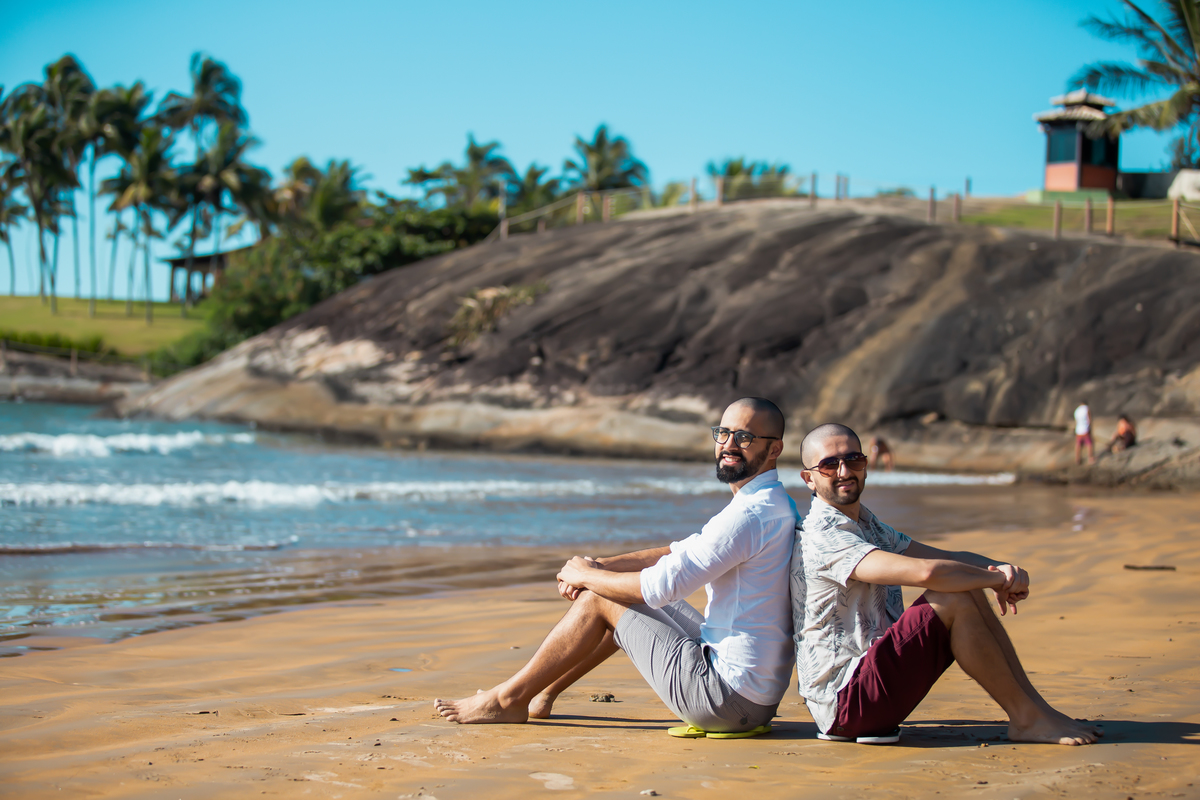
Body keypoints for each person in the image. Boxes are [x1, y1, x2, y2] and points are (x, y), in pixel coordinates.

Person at [435, 397, 799, 735]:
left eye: (744, 437)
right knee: (616, 588)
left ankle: (507, 700)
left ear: (774, 449)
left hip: (724, 699)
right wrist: (600, 565)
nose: (729, 444)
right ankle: (540, 694)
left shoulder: (749, 515)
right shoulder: (768, 503)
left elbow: (660, 587)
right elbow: (678, 551)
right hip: (751, 693)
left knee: (602, 598)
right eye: (723, 433)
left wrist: (585, 576)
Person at [790, 422, 1100, 746]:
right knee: (953, 593)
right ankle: (1026, 719)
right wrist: (995, 580)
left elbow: (948, 557)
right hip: (846, 705)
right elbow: (926, 573)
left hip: (872, 684)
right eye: (829, 464)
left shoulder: (868, 525)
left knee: (962, 582)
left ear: (866, 464)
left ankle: (1037, 712)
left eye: (854, 460)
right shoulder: (822, 535)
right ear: (809, 478)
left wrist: (1005, 570)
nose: (844, 471)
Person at [1074, 401, 1095, 465]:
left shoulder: (1077, 410)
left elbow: (1076, 421)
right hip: (1085, 429)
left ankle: (1077, 459)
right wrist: (1090, 428)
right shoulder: (1086, 408)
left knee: (1078, 444)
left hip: (1078, 430)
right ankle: (1090, 458)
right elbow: (1089, 419)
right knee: (1089, 444)